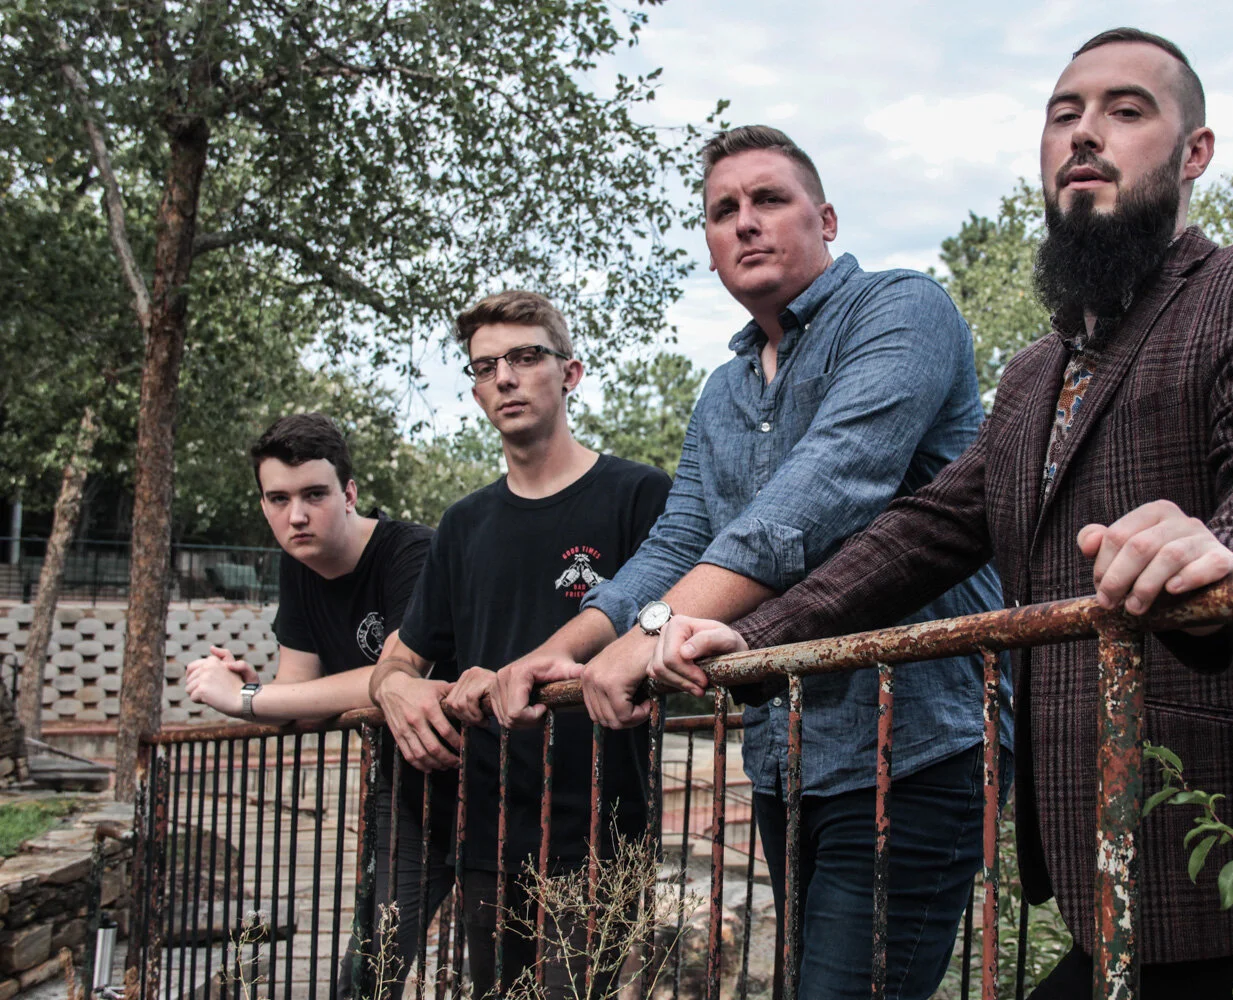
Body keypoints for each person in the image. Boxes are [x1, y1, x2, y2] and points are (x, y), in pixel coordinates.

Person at [655, 30, 1233, 999]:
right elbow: (920, 534)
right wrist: (753, 636)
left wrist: (1225, 548)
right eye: (1063, 115)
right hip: (1098, 860)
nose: (1086, 132)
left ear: (1195, 152)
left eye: (1126, 110)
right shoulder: (1035, 373)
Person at [481, 126, 1012, 1000]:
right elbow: (677, 537)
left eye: (769, 199)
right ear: (709, 246)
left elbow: (819, 492)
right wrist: (560, 650)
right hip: (786, 754)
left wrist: (647, 636)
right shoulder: (723, 390)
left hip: (914, 743)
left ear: (826, 219)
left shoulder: (901, 309)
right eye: (723, 210)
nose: (746, 222)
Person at [366, 291, 672, 997]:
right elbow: (402, 656)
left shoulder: (639, 495)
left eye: (526, 356)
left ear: (571, 373)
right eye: (485, 366)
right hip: (487, 832)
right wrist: (395, 688)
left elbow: (667, 619)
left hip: (601, 834)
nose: (504, 376)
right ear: (476, 389)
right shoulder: (463, 524)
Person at [183, 412, 457, 998]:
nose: (297, 516)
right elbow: (300, 694)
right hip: (408, 793)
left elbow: (396, 678)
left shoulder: (412, 552)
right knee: (366, 976)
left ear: (349, 493)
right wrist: (259, 690)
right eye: (278, 499)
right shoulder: (298, 566)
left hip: (493, 780)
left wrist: (251, 698)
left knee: (509, 968)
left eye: (314, 494)